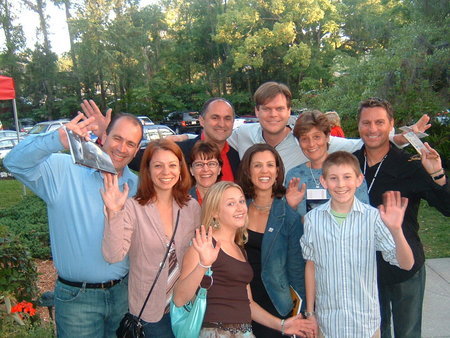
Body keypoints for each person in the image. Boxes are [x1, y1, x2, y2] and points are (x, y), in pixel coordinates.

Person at [4, 110, 143, 337]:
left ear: (136, 150)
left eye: (130, 143)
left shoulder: (136, 186)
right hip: (78, 300)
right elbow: (13, 162)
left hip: (123, 295)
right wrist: (55, 140)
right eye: (117, 138)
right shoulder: (64, 170)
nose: (121, 148)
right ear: (104, 136)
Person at [353, 98, 450, 338]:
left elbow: (447, 207)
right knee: (376, 331)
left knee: (407, 333)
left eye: (379, 122)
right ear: (359, 125)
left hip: (405, 265)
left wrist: (437, 173)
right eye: (367, 123)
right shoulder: (351, 163)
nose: (373, 129)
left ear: (391, 125)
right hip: (364, 266)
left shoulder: (411, 164)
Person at [173, 181, 316, 338]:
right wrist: (203, 264)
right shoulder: (202, 245)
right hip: (215, 332)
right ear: (214, 212)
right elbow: (179, 299)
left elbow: (248, 303)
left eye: (241, 201)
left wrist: (282, 325)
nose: (240, 208)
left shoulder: (240, 249)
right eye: (231, 203)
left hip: (244, 332)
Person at [301, 151, 414, 338]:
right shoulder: (313, 220)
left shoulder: (372, 218)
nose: (341, 184)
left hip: (365, 324)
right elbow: (311, 265)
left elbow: (406, 263)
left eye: (347, 177)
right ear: (324, 182)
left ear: (359, 180)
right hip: (328, 323)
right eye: (334, 178)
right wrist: (310, 312)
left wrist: (396, 230)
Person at [101, 139, 201, 337]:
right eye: (158, 165)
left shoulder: (191, 207)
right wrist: (114, 214)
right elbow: (113, 256)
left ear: (181, 169)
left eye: (172, 165)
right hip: (151, 310)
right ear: (147, 170)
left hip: (187, 304)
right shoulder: (133, 207)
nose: (166, 172)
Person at [227, 81, 431, 173]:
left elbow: (362, 143)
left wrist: (399, 139)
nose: (273, 115)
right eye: (267, 109)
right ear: (256, 111)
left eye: (279, 108)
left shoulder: (307, 139)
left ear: (289, 110)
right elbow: (215, 138)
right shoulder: (243, 134)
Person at [237, 144, 307, 337]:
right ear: (248, 170)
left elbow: (297, 269)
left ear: (277, 171)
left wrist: (303, 313)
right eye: (257, 165)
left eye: (270, 164)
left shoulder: (288, 215)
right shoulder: (237, 208)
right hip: (241, 300)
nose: (264, 170)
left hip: (275, 303)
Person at [130, 97, 240, 181]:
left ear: (233, 122)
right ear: (201, 121)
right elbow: (134, 160)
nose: (221, 124)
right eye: (215, 117)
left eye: (227, 118)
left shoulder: (236, 157)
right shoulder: (179, 151)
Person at [285, 110, 369, 218]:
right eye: (304, 139)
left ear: (327, 137)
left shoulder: (347, 171)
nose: (311, 144)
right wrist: (291, 207)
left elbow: (365, 214)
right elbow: (287, 224)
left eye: (316, 137)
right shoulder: (294, 176)